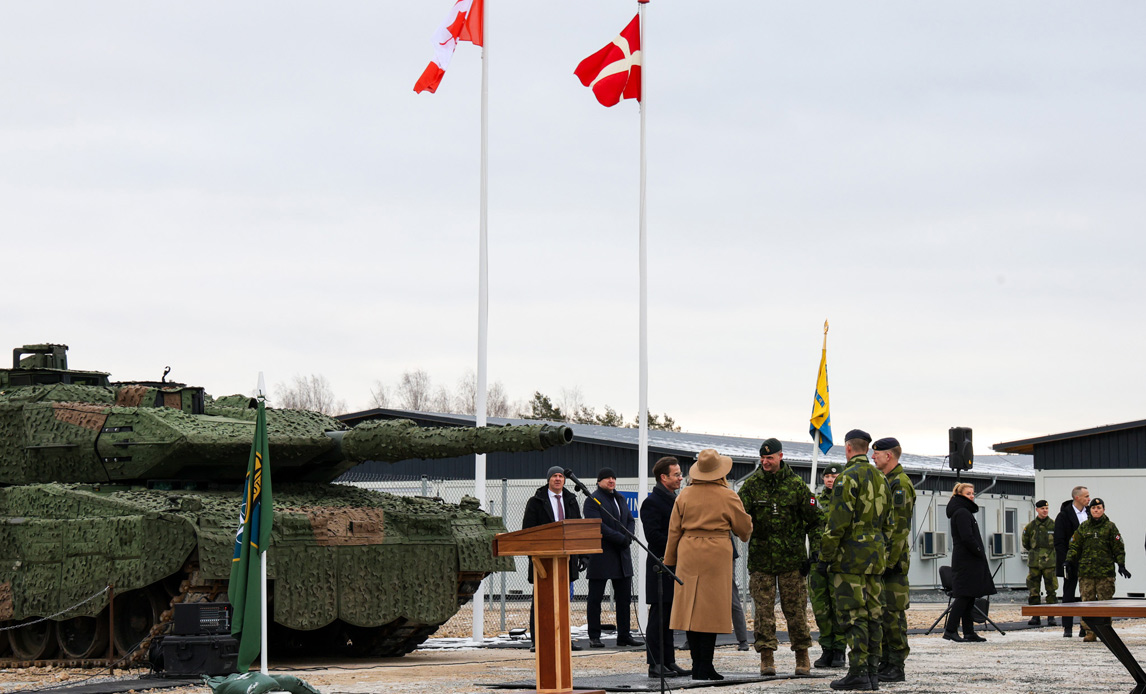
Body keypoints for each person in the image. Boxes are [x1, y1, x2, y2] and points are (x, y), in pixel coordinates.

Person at [664, 449, 753, 681]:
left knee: (691, 611)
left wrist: (669, 561)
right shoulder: (728, 495)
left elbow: (674, 531)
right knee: (711, 611)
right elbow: (744, 530)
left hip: (688, 551)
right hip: (716, 552)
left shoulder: (684, 495)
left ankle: (697, 666)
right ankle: (707, 666)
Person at [737, 438, 821, 677]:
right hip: (762, 562)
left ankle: (802, 656)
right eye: (762, 458)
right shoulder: (752, 487)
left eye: (770, 458)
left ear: (780, 457)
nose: (765, 462)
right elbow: (739, 517)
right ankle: (767, 659)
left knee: (795, 611)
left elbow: (816, 520)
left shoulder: (796, 486)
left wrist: (814, 550)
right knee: (763, 613)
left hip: (792, 562)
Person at [819, 429, 891, 691]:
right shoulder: (882, 478)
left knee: (853, 615)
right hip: (875, 555)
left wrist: (825, 557)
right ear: (867, 448)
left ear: (848, 448)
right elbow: (890, 522)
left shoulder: (846, 478)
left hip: (849, 558)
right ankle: (872, 671)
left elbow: (837, 523)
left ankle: (858, 671)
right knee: (874, 614)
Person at [522, 466, 584, 651]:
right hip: (543, 560)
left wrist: (583, 555)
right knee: (540, 601)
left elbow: (578, 529)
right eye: (554, 476)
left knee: (564, 600)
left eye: (561, 476)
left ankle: (564, 637)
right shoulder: (536, 502)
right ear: (548, 479)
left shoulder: (571, 500)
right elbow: (528, 531)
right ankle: (538, 640)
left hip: (566, 559)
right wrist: (534, 554)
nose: (558, 479)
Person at [640, 456, 690, 678]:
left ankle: (669, 661)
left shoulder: (675, 499)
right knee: (658, 617)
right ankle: (655, 664)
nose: (680, 478)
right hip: (660, 566)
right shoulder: (652, 503)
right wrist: (681, 543)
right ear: (663, 477)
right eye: (676, 474)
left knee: (671, 617)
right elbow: (654, 536)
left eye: (680, 474)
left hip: (675, 566)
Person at [871, 437, 915, 684]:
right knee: (883, 613)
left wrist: (888, 561)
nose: (873, 457)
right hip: (884, 558)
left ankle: (896, 664)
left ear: (889, 456)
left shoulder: (900, 484)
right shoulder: (885, 481)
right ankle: (886, 661)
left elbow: (899, 528)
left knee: (893, 613)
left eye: (876, 453)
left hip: (893, 562)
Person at [583, 467, 643, 649]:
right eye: (607, 478)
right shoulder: (592, 500)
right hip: (601, 556)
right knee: (595, 599)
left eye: (613, 478)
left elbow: (630, 520)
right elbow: (597, 526)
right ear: (599, 481)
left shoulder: (620, 498)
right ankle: (594, 636)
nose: (611, 481)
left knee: (624, 599)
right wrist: (620, 538)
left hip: (622, 556)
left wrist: (629, 535)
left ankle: (624, 635)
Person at [1065, 497, 1130, 642]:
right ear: (1090, 510)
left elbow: (1118, 548)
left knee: (1105, 603)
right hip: (1086, 573)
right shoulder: (1083, 527)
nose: (1096, 510)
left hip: (1105, 573)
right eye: (1094, 508)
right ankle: (1090, 631)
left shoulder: (1110, 527)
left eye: (1099, 508)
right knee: (1087, 603)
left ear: (1103, 510)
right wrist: (1069, 560)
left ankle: (1105, 631)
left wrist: (1121, 565)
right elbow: (1074, 546)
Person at [943, 483, 996, 644]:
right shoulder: (962, 512)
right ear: (959, 495)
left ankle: (969, 631)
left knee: (970, 595)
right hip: (966, 560)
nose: (972, 496)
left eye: (973, 493)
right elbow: (967, 537)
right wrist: (979, 550)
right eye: (968, 494)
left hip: (968, 558)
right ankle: (950, 630)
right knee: (963, 596)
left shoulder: (963, 512)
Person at [808, 463, 846, 670]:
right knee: (820, 607)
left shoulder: (845, 500)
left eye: (834, 476)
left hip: (838, 562)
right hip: (817, 561)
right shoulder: (816, 501)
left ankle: (840, 649)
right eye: (827, 477)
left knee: (838, 607)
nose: (830, 479)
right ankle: (827, 649)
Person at [1054, 486, 1090, 638]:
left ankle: (1085, 626)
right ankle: (1067, 627)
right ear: (1077, 498)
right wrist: (1065, 562)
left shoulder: (1089, 514)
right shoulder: (1064, 516)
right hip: (1070, 561)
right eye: (1086, 496)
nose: (1089, 499)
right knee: (1068, 594)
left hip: (1087, 561)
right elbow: (1059, 541)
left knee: (1086, 594)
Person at [1022, 500, 1058, 626]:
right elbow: (1025, 543)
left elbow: (1058, 542)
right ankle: (1035, 616)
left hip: (1049, 563)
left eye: (1046, 508)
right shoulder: (1031, 526)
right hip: (1035, 563)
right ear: (1037, 510)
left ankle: (1051, 616)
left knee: (1051, 590)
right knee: (1033, 590)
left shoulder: (1054, 525)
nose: (1045, 511)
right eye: (1042, 508)